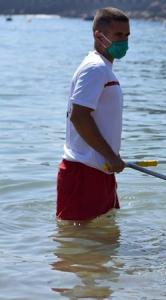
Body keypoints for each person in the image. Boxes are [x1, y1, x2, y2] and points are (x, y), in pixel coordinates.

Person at [56, 7, 131, 221]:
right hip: (83, 171)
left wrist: (111, 158)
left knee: (104, 241)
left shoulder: (104, 69)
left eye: (126, 35)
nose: (124, 41)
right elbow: (79, 116)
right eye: (118, 35)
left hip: (101, 170)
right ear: (99, 35)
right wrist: (110, 155)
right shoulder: (95, 69)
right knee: (78, 243)